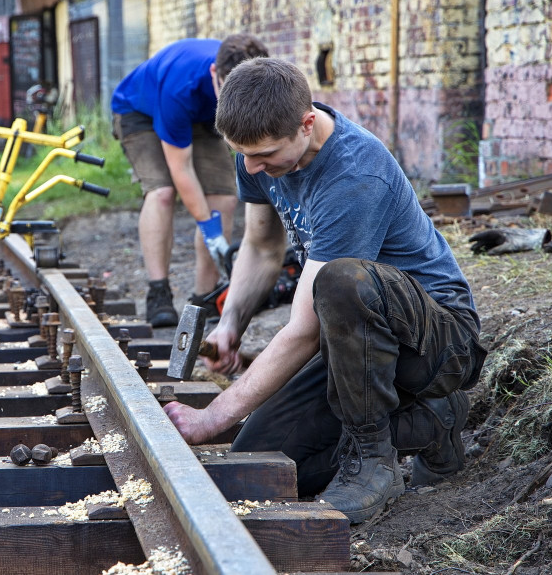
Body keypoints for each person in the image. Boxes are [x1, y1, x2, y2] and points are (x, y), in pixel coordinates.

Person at [163, 58, 487, 524]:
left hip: (437, 343)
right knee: (265, 456)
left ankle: (373, 463)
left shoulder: (355, 174)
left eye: (265, 155)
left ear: (306, 124)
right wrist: (232, 321)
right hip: (359, 343)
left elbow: (304, 330)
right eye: (242, 154)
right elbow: (260, 242)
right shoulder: (257, 151)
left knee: (339, 280)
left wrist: (213, 416)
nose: (252, 166)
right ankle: (429, 424)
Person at [111, 34, 269, 327]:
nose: (237, 99)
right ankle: (158, 292)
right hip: (139, 111)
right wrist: (211, 231)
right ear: (214, 74)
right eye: (227, 89)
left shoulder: (252, 80)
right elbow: (181, 169)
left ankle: (204, 298)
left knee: (223, 197)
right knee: (163, 191)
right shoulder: (179, 87)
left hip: (202, 113)